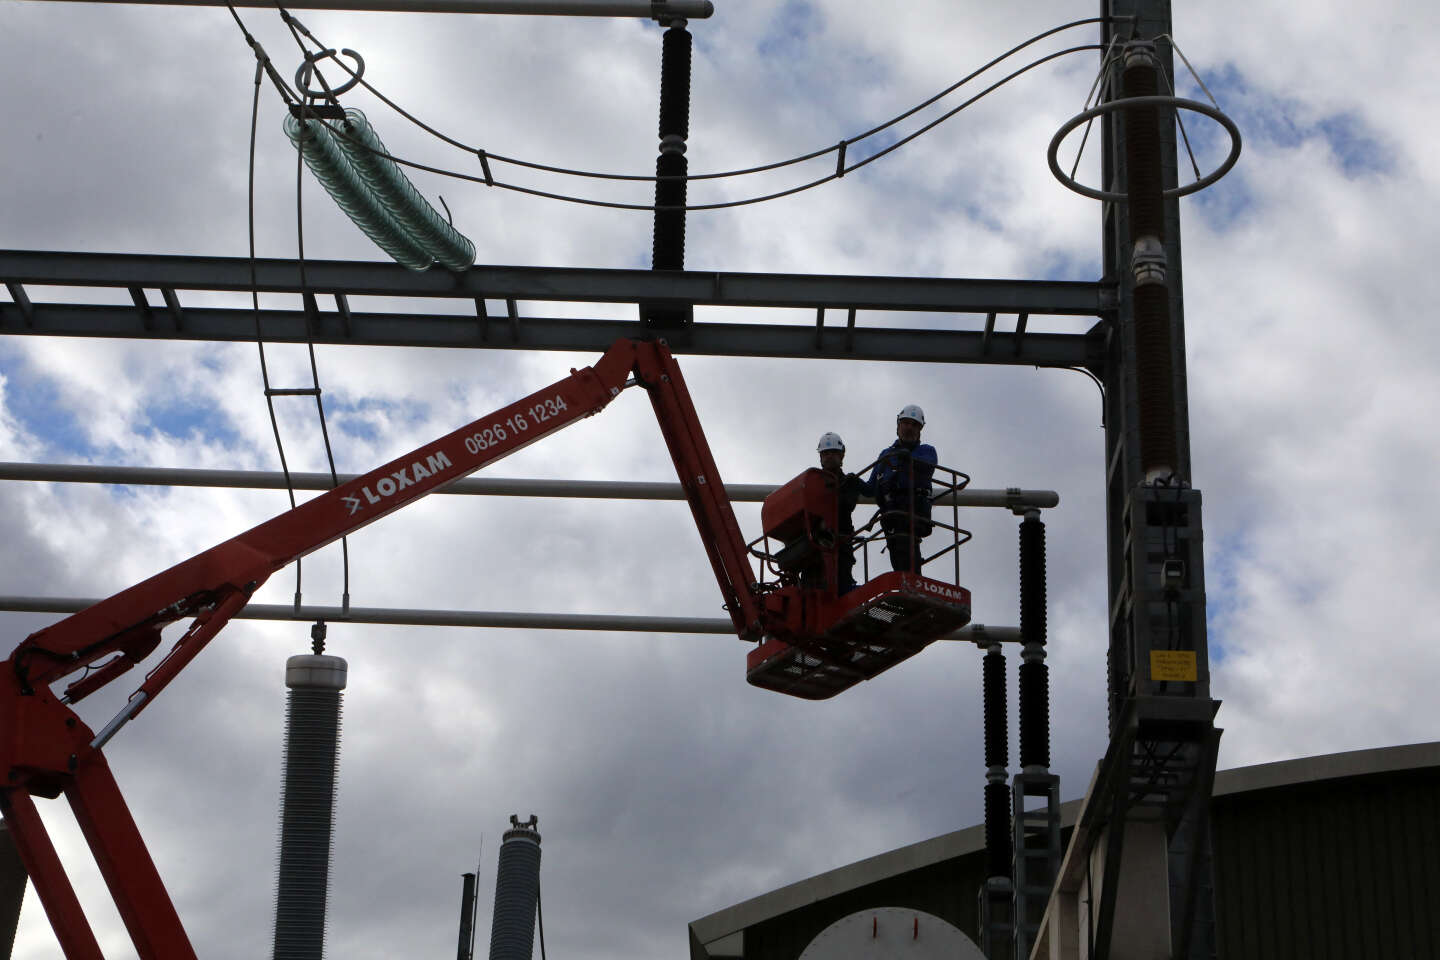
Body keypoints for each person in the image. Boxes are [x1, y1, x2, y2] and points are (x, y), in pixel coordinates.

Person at [858, 405, 936, 573]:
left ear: (920, 429)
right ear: (898, 425)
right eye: (905, 423)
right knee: (898, 556)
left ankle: (912, 586)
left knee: (907, 554)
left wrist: (907, 458)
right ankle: (908, 586)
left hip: (914, 513)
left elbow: (927, 467)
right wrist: (853, 482)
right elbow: (870, 489)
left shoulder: (926, 451)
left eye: (914, 425)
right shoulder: (886, 455)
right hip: (891, 516)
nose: (909, 428)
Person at [817, 432, 861, 592]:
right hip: (815, 546)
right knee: (814, 585)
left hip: (841, 543)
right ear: (820, 457)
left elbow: (846, 504)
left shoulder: (849, 481)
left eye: (833, 453)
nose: (829, 457)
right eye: (825, 453)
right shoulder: (812, 482)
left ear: (842, 455)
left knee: (842, 584)